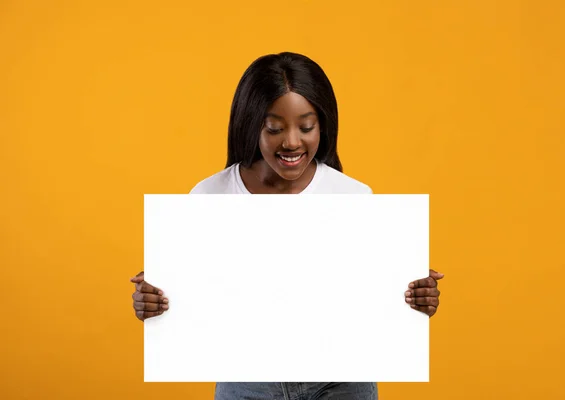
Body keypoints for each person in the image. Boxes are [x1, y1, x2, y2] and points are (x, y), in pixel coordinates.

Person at [130, 52, 444, 400]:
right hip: (247, 383)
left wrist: (417, 299)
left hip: (343, 382)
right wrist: (154, 305)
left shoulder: (352, 196)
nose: (292, 142)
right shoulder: (209, 196)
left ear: (323, 127)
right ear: (251, 125)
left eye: (306, 127)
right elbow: (186, 299)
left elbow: (380, 297)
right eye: (275, 129)